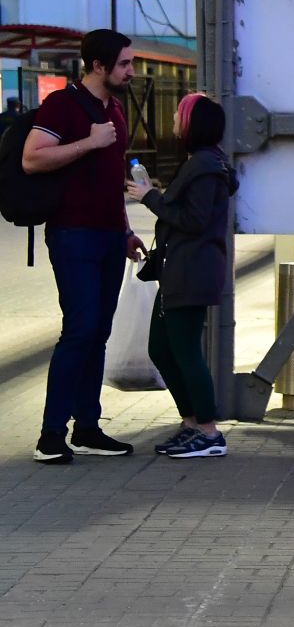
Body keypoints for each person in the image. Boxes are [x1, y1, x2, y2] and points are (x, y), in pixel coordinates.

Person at [25, 29, 144, 463]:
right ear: (99, 66)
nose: (132, 71)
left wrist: (127, 230)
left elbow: (114, 183)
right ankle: (50, 435)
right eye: (125, 64)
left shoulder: (115, 109)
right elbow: (32, 158)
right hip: (73, 234)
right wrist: (90, 142)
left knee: (98, 332)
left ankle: (88, 427)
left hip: (110, 237)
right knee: (79, 328)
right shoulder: (62, 104)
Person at [129, 93, 237, 458]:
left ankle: (208, 432)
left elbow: (194, 220)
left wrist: (150, 197)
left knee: (186, 351)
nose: (174, 118)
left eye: (179, 113)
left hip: (192, 271)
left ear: (193, 123)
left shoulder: (205, 167)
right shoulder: (202, 162)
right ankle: (191, 423)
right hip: (180, 269)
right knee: (161, 348)